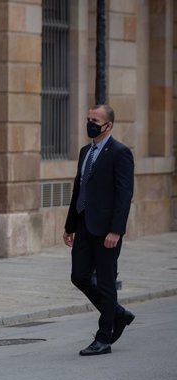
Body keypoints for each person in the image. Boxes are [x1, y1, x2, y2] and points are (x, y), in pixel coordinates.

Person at [63, 104, 135, 356]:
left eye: (95, 120)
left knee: (106, 283)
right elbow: (79, 190)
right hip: (83, 225)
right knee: (79, 276)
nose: (90, 123)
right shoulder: (85, 152)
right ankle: (117, 313)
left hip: (107, 230)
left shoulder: (120, 153)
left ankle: (104, 337)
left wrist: (116, 230)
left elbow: (124, 195)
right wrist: (70, 226)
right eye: (88, 119)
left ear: (109, 125)